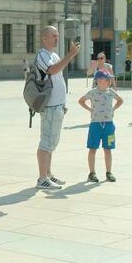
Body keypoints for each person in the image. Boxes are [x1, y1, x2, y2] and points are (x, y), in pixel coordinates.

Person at [34, 26, 79, 189]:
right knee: (46, 141)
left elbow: (58, 77)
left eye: (58, 36)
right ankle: (42, 179)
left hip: (57, 105)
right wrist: (71, 55)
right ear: (44, 38)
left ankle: (48, 174)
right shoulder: (42, 55)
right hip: (50, 106)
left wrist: (63, 104)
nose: (57, 38)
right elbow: (52, 71)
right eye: (53, 36)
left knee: (52, 142)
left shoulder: (53, 54)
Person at [79, 71, 123, 182]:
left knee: (108, 149)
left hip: (108, 125)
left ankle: (109, 172)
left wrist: (113, 109)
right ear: (98, 81)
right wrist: (90, 109)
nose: (109, 81)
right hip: (95, 125)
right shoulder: (92, 93)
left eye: (109, 80)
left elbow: (120, 100)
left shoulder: (111, 92)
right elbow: (81, 101)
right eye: (107, 79)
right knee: (92, 148)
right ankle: (92, 173)